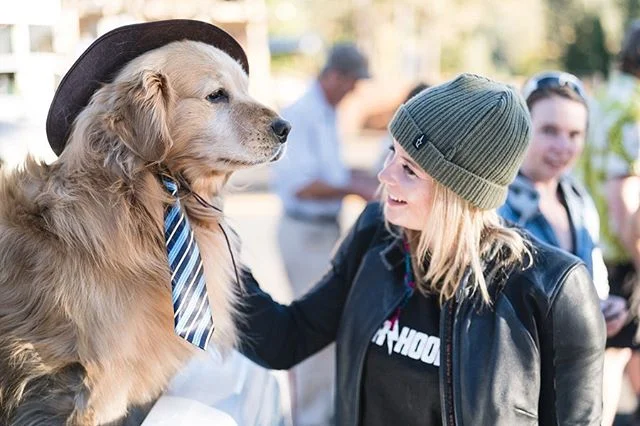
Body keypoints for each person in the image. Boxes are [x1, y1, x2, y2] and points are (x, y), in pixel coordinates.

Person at [239, 73, 606, 425]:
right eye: (391, 153)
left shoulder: (552, 289)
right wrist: (210, 235)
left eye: (410, 170)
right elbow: (284, 341)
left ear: (458, 192)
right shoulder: (376, 236)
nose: (385, 176)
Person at [499, 70, 627, 425]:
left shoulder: (579, 199)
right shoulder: (495, 206)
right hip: (517, 390)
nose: (564, 147)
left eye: (575, 134)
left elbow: (591, 285)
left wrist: (603, 307)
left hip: (571, 388)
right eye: (550, 131)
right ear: (522, 129)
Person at [269, 42, 378, 425]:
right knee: (315, 329)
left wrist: (364, 179)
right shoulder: (301, 114)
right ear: (334, 75)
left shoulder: (329, 113)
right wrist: (354, 189)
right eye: (352, 82)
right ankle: (311, 419)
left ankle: (325, 412)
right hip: (305, 232)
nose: (355, 91)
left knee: (333, 325)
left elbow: (331, 172)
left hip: (324, 231)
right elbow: (301, 185)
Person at [585, 20, 640, 422]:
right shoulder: (633, 109)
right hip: (624, 254)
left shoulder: (604, 98)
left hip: (596, 247)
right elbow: (624, 201)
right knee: (612, 360)